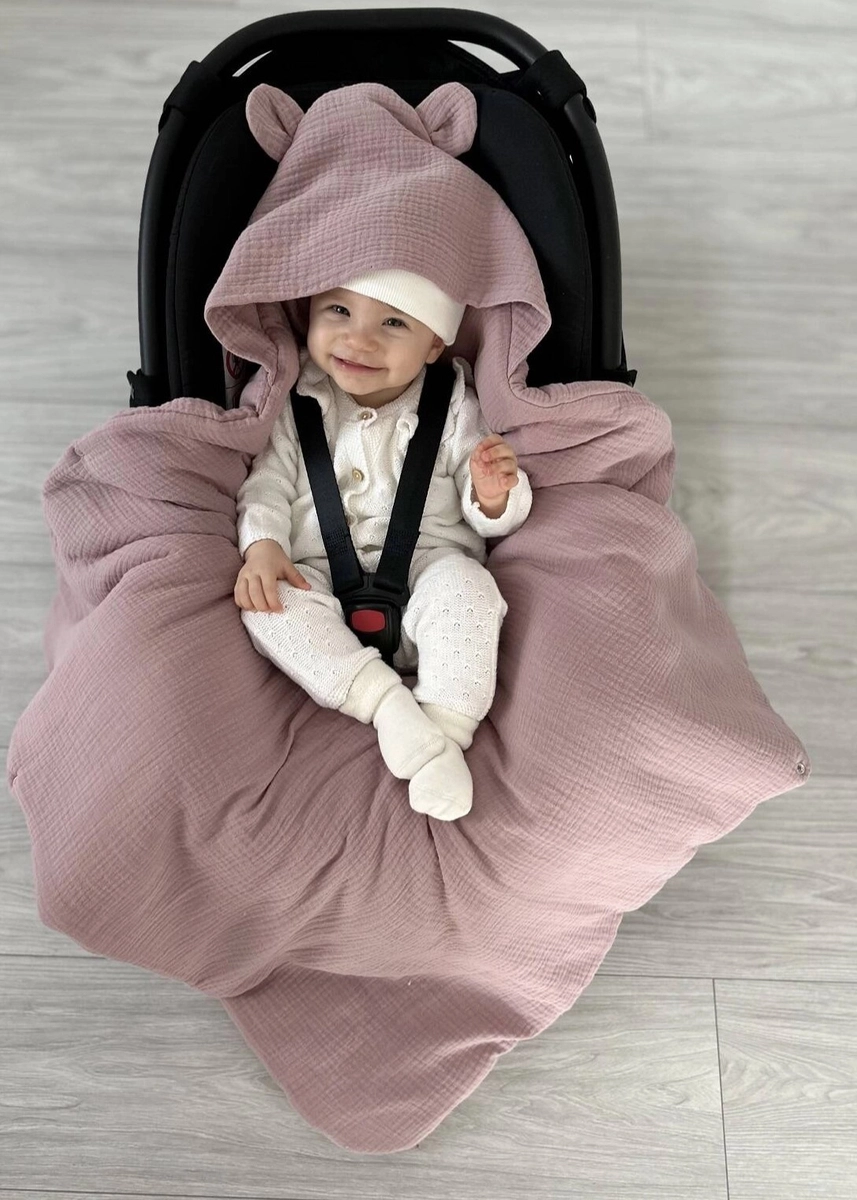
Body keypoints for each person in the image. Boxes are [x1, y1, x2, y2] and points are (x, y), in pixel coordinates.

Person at [233, 268, 533, 820]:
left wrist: (493, 495)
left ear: (434, 344)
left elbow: (490, 509)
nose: (359, 339)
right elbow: (267, 482)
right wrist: (264, 544)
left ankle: (444, 734)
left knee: (470, 587)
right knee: (267, 605)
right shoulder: (296, 398)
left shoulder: (453, 403)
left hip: (427, 579)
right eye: (338, 311)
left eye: (393, 322)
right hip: (318, 584)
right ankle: (389, 707)